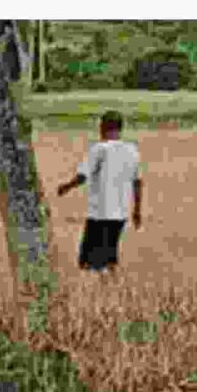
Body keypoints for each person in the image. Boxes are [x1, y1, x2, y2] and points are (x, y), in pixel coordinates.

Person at [55, 112, 143, 277]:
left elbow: (83, 176)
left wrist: (66, 187)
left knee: (90, 262)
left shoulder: (99, 149)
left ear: (103, 127)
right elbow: (137, 182)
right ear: (120, 128)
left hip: (100, 213)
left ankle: (101, 293)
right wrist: (137, 211)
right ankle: (113, 290)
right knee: (110, 255)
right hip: (121, 213)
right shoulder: (132, 150)